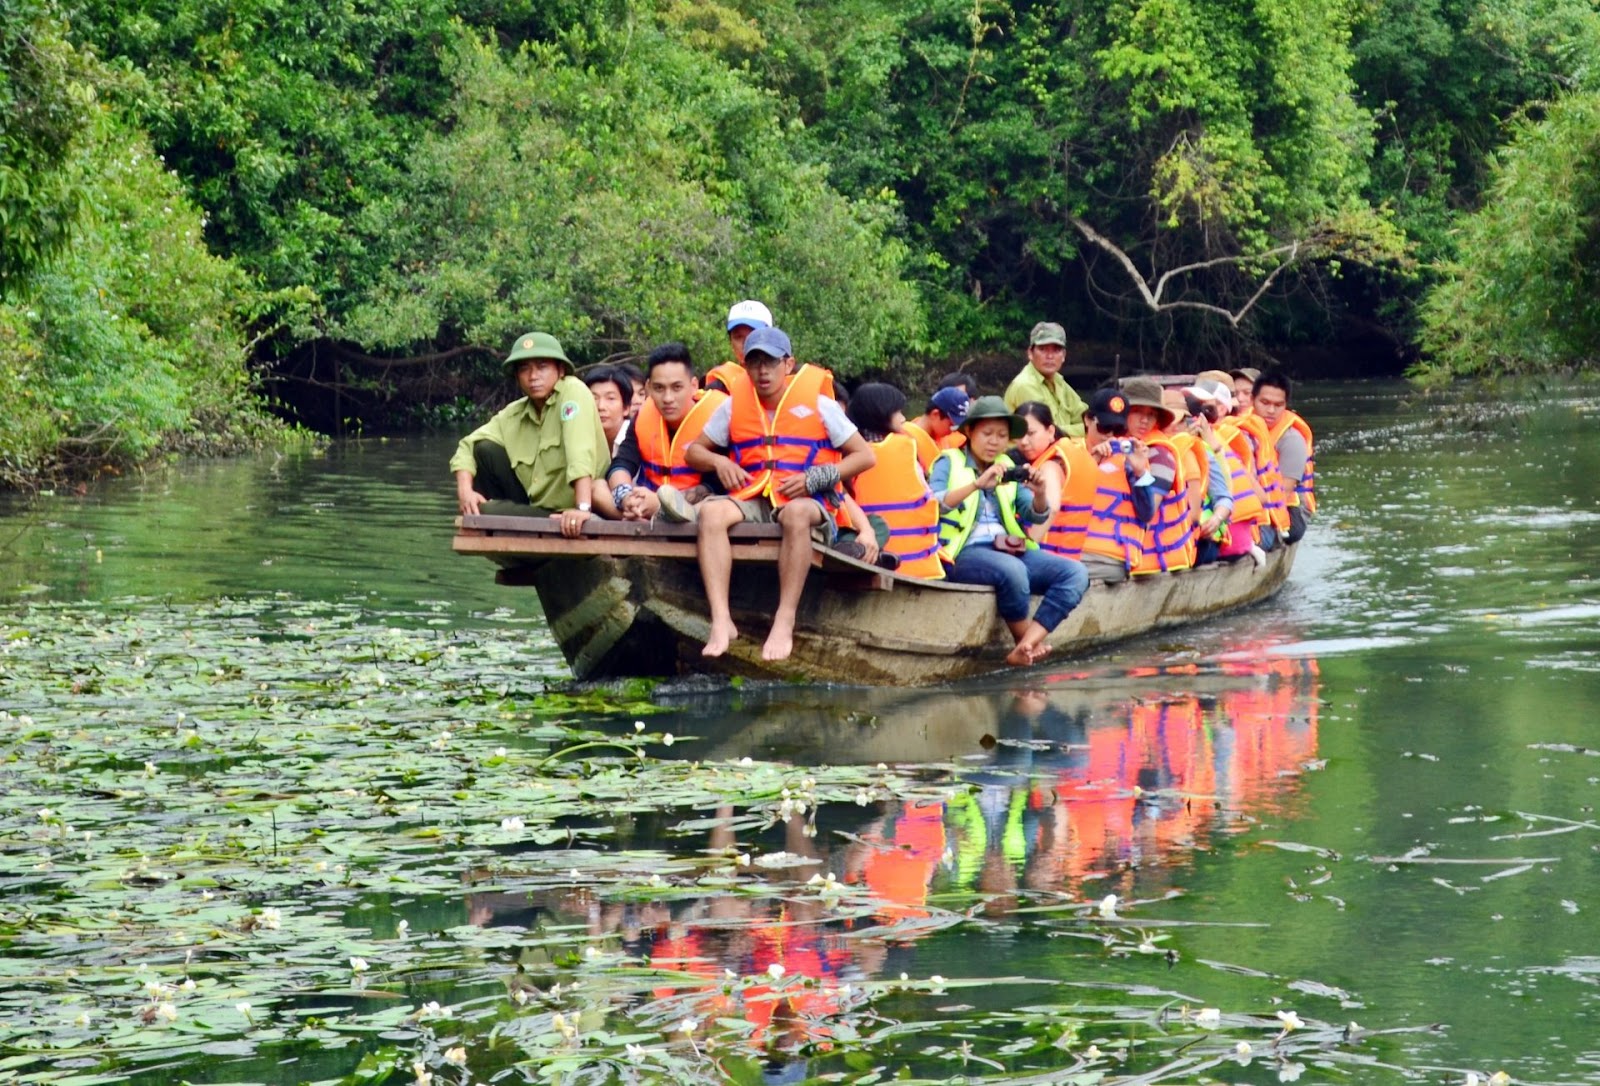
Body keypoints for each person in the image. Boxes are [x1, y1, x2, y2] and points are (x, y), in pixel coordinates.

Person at [685, 326, 877, 662]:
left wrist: (816, 477)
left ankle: (784, 619)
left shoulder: (820, 406)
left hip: (809, 500)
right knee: (711, 513)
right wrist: (718, 462)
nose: (762, 371)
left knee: (796, 514)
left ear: (788, 364)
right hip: (756, 494)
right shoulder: (733, 406)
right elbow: (694, 452)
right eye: (754, 362)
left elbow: (865, 456)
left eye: (770, 363)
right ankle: (721, 619)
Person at [930, 396, 1089, 667]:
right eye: (988, 434)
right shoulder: (949, 461)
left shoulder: (1008, 465)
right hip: (960, 552)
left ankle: (1027, 645)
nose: (995, 441)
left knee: (1075, 573)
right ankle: (1025, 644)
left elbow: (1034, 513)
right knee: (1013, 572)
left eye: (1002, 435)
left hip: (1009, 549)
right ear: (969, 432)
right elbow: (933, 504)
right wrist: (976, 485)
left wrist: (1039, 495)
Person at [450, 331, 607, 539]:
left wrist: (583, 509)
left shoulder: (572, 392)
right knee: (484, 449)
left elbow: (581, 454)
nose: (533, 377)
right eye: (525, 369)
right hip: (538, 508)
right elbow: (467, 446)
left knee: (485, 513)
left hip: (572, 511)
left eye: (542, 367)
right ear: (517, 377)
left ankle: (509, 526)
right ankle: (515, 530)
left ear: (560, 370)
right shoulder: (515, 412)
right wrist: (465, 492)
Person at [603, 343, 729, 522]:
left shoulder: (718, 414)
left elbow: (715, 485)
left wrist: (662, 503)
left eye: (677, 388)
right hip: (644, 498)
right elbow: (622, 463)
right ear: (648, 388)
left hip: (693, 507)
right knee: (598, 488)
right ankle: (636, 514)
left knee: (712, 508)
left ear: (693, 385)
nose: (668, 398)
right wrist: (626, 498)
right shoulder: (643, 415)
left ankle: (652, 516)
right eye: (659, 388)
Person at [844, 383, 944, 579]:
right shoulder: (905, 448)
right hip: (910, 563)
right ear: (880, 414)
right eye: (897, 412)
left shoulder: (846, 452)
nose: (903, 418)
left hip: (881, 556)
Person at [1120, 378, 1194, 575]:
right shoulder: (1113, 445)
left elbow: (1149, 507)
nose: (1144, 420)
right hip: (1117, 543)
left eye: (1151, 415)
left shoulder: (1160, 454)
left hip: (1147, 554)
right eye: (1137, 412)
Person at [1013, 401, 1098, 561]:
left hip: (1049, 558)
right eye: (1018, 435)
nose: (1023, 442)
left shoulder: (1050, 466)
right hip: (1072, 556)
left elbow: (1052, 507)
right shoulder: (1075, 452)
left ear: (1050, 431)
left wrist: (1026, 548)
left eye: (1031, 433)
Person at [1252, 371, 1315, 544]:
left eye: (1278, 405)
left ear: (1285, 405)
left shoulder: (1292, 441)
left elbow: (1282, 493)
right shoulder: (1244, 428)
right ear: (1253, 400)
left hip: (1290, 511)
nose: (1271, 411)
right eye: (1264, 403)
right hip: (1257, 498)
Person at [1003, 322, 1089, 439]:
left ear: (1063, 355)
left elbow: (1085, 416)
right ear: (1030, 353)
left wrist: (1096, 426)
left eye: (1056, 350)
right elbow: (1050, 433)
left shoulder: (1058, 381)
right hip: (1027, 454)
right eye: (1043, 349)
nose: (1050, 356)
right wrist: (1090, 429)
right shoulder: (1025, 385)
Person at [706, 299, 773, 394]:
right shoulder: (718, 388)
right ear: (731, 342)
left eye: (753, 335)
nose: (746, 343)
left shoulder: (788, 381)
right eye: (738, 337)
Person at [905, 386, 970, 471]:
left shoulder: (941, 438)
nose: (953, 430)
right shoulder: (906, 441)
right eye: (951, 424)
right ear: (935, 414)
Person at [581, 365, 634, 456]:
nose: (601, 406)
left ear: (626, 407)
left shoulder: (637, 441)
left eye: (611, 398)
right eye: (594, 398)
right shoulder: (581, 440)